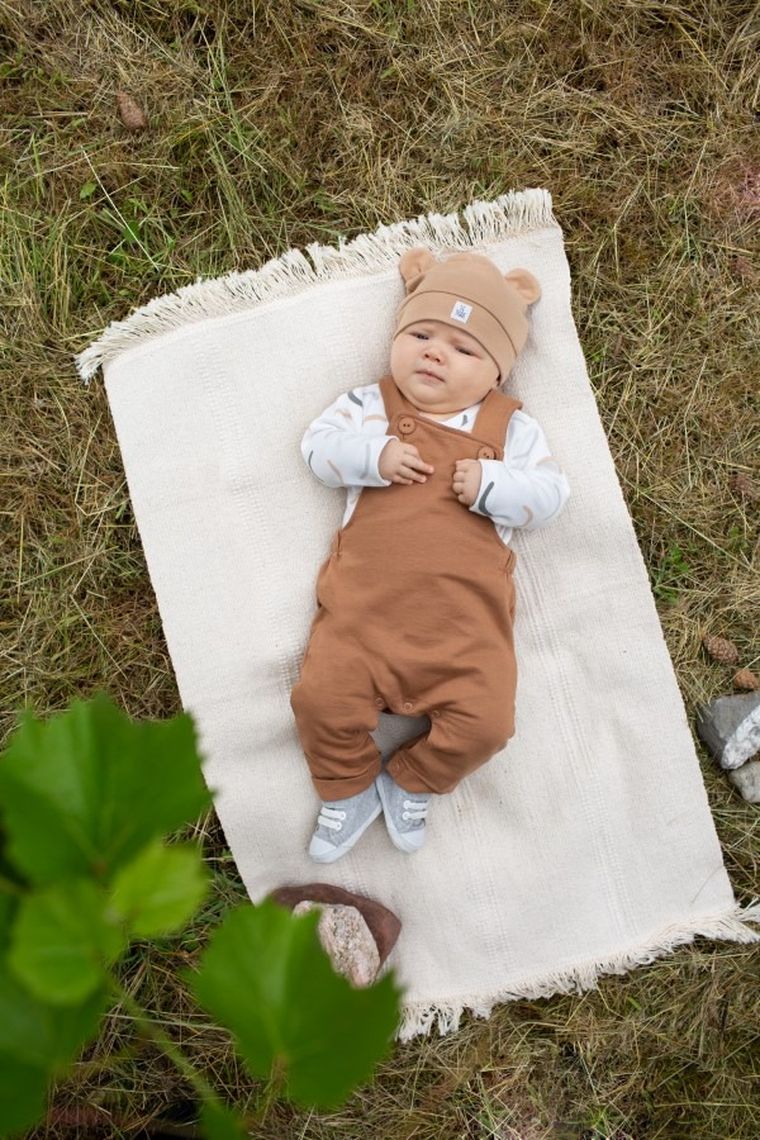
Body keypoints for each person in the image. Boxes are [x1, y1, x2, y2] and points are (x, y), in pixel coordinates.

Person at [291, 246, 570, 863]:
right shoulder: (371, 407)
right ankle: (347, 787)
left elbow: (552, 495)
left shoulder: (511, 429)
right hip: (362, 620)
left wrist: (494, 486)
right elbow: (317, 448)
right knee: (319, 700)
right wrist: (373, 456)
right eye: (420, 334)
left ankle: (412, 778)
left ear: (496, 372)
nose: (434, 352)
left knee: (489, 725)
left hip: (464, 636)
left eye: (464, 349)